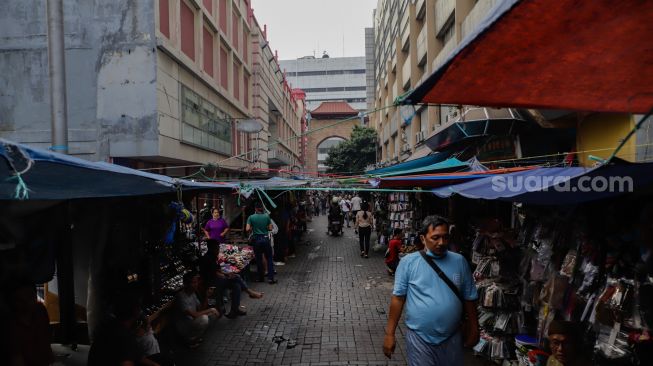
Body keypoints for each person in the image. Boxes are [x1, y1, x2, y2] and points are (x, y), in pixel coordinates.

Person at [383, 215, 480, 366]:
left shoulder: (459, 261)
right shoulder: (408, 263)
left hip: (453, 336)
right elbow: (398, 298)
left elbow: (469, 297)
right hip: (419, 337)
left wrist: (474, 328)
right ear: (423, 239)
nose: (441, 243)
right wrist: (390, 334)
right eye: (435, 237)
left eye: (445, 237)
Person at [89, 296, 158, 366]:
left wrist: (153, 364)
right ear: (135, 311)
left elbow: (137, 356)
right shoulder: (125, 336)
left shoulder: (107, 325)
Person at [199, 240, 257, 319]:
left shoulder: (213, 257)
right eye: (217, 248)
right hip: (212, 282)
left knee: (236, 286)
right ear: (212, 248)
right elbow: (215, 273)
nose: (218, 249)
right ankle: (250, 292)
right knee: (236, 277)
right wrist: (226, 276)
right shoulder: (207, 258)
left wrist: (227, 274)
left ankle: (234, 310)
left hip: (217, 280)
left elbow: (218, 271)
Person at [6, 280, 54, 366]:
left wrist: (49, 353)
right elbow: (16, 357)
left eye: (30, 297)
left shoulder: (40, 310)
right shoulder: (12, 324)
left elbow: (46, 336)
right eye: (20, 300)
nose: (26, 303)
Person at [175, 272, 220, 348]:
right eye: (193, 283)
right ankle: (189, 340)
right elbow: (194, 314)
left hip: (192, 321)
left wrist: (207, 296)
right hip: (184, 326)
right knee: (204, 318)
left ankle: (196, 337)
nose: (196, 285)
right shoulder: (181, 297)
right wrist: (211, 309)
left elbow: (200, 309)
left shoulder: (193, 293)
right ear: (186, 284)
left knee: (212, 315)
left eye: (196, 282)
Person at [246, 202, 277, 284]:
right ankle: (271, 278)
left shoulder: (251, 217)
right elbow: (270, 228)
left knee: (259, 259)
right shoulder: (267, 216)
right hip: (266, 239)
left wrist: (253, 227)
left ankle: (261, 278)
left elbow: (247, 229)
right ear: (262, 208)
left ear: (255, 209)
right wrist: (265, 227)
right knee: (269, 258)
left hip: (256, 240)